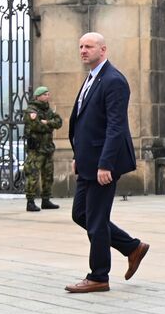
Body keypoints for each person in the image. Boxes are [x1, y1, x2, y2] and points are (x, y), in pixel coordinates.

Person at [66, 33, 148, 293]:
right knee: (81, 214)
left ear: (103, 50)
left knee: (97, 220)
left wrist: (105, 165)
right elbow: (85, 122)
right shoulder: (92, 78)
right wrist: (79, 156)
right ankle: (131, 246)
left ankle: (98, 276)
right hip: (89, 160)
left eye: (88, 46)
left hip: (104, 164)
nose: (83, 50)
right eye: (80, 46)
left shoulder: (114, 80)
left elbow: (115, 127)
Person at [23, 86, 62, 212]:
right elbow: (36, 126)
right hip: (36, 149)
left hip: (47, 148)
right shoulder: (31, 110)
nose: (47, 96)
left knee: (48, 175)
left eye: (48, 94)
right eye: (45, 94)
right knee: (33, 175)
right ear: (38, 96)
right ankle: (30, 201)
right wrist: (49, 125)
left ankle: (46, 200)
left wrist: (47, 122)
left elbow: (59, 122)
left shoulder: (48, 110)